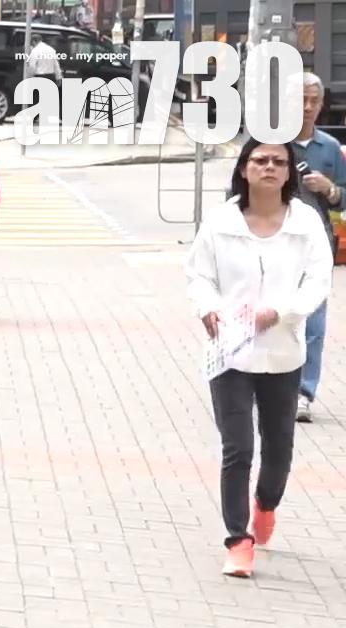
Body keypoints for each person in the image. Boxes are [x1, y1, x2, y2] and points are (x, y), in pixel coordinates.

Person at [185, 137, 333, 578]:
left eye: (278, 161)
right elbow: (198, 275)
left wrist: (281, 312)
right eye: (260, 160)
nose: (269, 167)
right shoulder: (221, 222)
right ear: (244, 169)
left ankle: (266, 504)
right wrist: (207, 307)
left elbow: (318, 281)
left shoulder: (305, 223)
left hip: (282, 353)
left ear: (288, 172)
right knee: (238, 448)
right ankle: (238, 540)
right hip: (229, 353)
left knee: (278, 449)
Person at [292, 71, 345, 421]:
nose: (308, 107)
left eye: (314, 101)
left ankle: (303, 392)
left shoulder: (329, 148)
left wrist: (330, 189)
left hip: (317, 246)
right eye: (302, 100)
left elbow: (343, 198)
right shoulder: (271, 145)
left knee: (313, 322)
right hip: (276, 244)